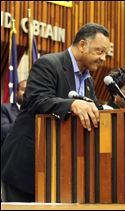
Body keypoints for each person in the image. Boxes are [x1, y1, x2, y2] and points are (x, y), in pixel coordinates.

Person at [1, 23, 111, 202]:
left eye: (105, 53)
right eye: (100, 51)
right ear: (82, 45)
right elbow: (36, 100)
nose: (103, 58)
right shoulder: (49, 64)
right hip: (27, 165)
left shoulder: (89, 81)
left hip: (60, 170)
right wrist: (71, 104)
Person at [1, 80, 27, 146]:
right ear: (16, 93)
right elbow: (4, 131)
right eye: (23, 89)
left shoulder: (35, 111)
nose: (25, 93)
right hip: (11, 151)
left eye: (29, 90)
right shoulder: (5, 108)